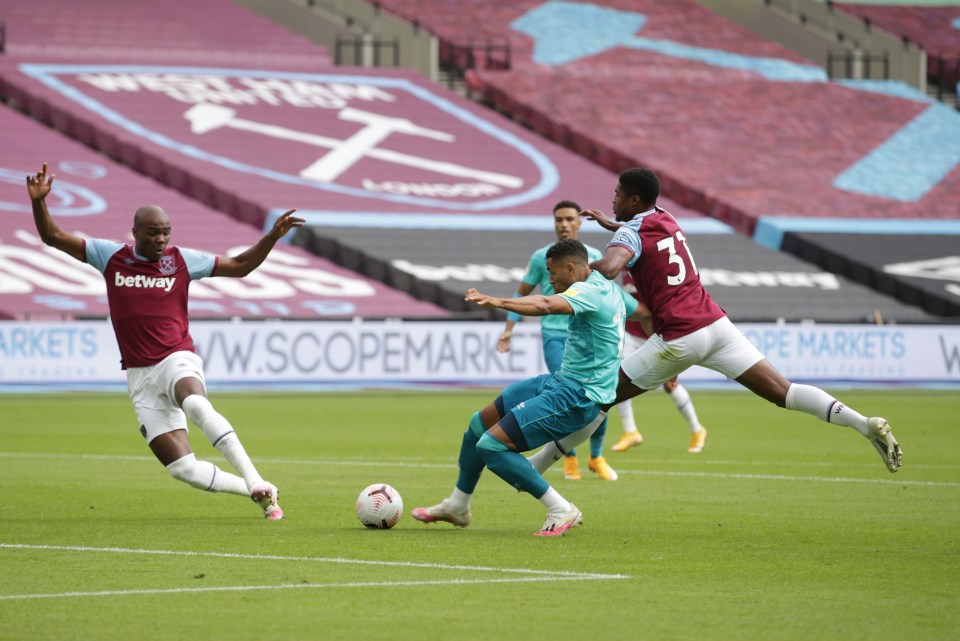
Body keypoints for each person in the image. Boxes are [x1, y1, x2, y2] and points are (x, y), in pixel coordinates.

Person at [26, 162, 305, 519]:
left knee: (196, 405)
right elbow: (52, 236)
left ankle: (254, 477)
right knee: (182, 469)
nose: (161, 240)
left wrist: (271, 237)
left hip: (177, 357)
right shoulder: (110, 256)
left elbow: (239, 266)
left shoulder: (182, 260)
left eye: (166, 233)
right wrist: (39, 203)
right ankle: (262, 493)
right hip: (140, 376)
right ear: (135, 232)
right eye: (153, 233)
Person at [580, 167, 902, 473]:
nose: (613, 199)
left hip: (679, 336)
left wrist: (577, 271)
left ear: (633, 200)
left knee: (601, 397)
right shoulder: (667, 218)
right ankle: (863, 423)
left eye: (617, 193)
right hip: (716, 326)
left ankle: (538, 474)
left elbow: (610, 268)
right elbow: (638, 228)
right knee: (784, 392)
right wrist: (611, 223)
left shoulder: (631, 234)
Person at [412, 239, 646, 536]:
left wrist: (498, 302)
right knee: (477, 426)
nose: (549, 281)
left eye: (552, 273)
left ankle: (560, 508)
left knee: (491, 445)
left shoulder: (589, 292)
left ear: (570, 268)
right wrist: (663, 344)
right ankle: (457, 506)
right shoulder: (608, 287)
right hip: (559, 381)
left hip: (577, 396)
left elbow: (546, 304)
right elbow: (645, 313)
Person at [497, 200, 618, 481]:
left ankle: (596, 456)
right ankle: (569, 460)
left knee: (602, 397)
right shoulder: (543, 257)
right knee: (563, 395)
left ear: (578, 222)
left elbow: (610, 299)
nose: (563, 224)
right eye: (558, 220)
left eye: (568, 219)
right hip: (555, 335)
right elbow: (522, 292)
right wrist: (508, 329)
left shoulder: (595, 256)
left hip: (592, 340)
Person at [611, 268, 708, 454]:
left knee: (670, 385)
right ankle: (630, 431)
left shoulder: (649, 262)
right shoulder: (623, 261)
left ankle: (697, 430)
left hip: (654, 334)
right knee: (617, 377)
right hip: (630, 333)